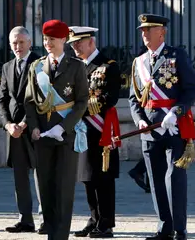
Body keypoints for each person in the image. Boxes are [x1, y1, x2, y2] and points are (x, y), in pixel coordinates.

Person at [129, 14, 195, 240]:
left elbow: (191, 90)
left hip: (172, 127)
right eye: (142, 30)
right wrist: (139, 120)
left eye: (149, 29)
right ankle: (164, 228)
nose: (144, 33)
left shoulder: (177, 56)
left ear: (162, 31)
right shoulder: (138, 62)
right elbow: (133, 99)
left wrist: (175, 112)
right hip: (149, 130)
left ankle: (180, 228)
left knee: (174, 179)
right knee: (156, 179)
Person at [24, 19, 88, 240]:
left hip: (65, 135)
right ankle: (51, 232)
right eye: (45, 39)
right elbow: (29, 101)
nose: (47, 43)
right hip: (42, 135)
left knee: (63, 189)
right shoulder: (36, 67)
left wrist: (63, 126)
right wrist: (32, 127)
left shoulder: (76, 66)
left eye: (52, 39)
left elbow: (81, 102)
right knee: (45, 188)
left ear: (63, 40)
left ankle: (60, 235)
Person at [68, 26, 121, 238]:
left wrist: (80, 108)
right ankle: (94, 218)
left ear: (92, 42)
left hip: (100, 130)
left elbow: (109, 98)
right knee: (87, 177)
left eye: (79, 43)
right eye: (72, 44)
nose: (75, 47)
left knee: (103, 178)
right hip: (82, 130)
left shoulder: (108, 66)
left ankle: (106, 222)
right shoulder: (75, 67)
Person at [0, 26, 45, 234]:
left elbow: (41, 97)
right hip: (14, 132)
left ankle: (46, 219)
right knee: (19, 176)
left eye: (21, 42)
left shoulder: (40, 63)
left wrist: (25, 123)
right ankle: (25, 219)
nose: (18, 46)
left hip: (34, 128)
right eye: (14, 43)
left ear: (29, 43)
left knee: (41, 175)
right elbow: (2, 99)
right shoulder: (7, 67)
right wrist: (8, 124)